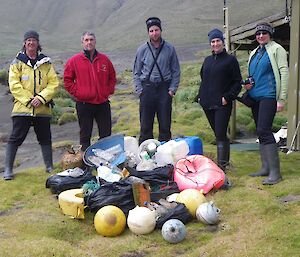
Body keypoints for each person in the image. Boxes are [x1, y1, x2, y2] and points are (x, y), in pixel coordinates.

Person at [3, 30, 59, 180]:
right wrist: (29, 100)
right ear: (24, 43)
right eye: (28, 40)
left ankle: (49, 166)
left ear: (38, 43)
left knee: (45, 138)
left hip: (42, 109)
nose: (31, 43)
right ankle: (8, 169)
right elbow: (14, 84)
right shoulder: (17, 62)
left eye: (34, 40)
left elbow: (53, 83)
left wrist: (41, 98)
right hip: (22, 108)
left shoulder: (46, 62)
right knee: (15, 138)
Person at [195, 28, 242, 189]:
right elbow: (204, 78)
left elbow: (237, 82)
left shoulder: (230, 60)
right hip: (207, 104)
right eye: (213, 42)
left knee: (221, 134)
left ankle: (221, 168)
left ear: (223, 42)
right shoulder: (208, 60)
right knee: (218, 134)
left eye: (218, 41)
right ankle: (224, 163)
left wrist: (227, 97)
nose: (215, 44)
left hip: (222, 104)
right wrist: (200, 96)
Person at [245, 23, 288, 185]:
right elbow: (254, 74)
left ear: (269, 34)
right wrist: (248, 84)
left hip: (269, 96)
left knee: (264, 129)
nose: (260, 36)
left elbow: (284, 72)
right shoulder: (255, 52)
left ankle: (276, 173)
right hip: (255, 97)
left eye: (264, 33)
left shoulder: (277, 49)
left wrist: (281, 99)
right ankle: (265, 168)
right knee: (260, 131)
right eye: (258, 33)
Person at [64, 31, 117, 151]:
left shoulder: (104, 59)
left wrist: (108, 91)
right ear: (82, 42)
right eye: (86, 40)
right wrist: (78, 93)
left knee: (106, 134)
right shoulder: (74, 60)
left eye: (91, 39)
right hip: (84, 104)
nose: (89, 42)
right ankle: (86, 164)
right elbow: (67, 80)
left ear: (95, 41)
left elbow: (112, 76)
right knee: (85, 135)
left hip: (102, 103)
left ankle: (106, 162)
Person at [133, 17, 180, 145]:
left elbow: (176, 70)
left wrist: (172, 90)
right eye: (151, 31)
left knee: (165, 124)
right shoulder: (142, 50)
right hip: (147, 89)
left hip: (164, 89)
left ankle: (165, 152)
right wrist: (140, 90)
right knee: (145, 125)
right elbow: (136, 71)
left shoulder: (170, 48)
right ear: (148, 32)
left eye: (156, 30)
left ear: (161, 30)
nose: (154, 33)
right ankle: (146, 154)